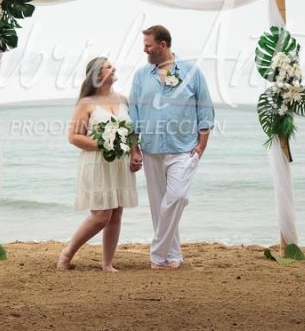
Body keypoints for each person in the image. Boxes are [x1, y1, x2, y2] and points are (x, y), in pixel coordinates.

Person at [129, 25, 215, 270]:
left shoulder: (192, 72)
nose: (144, 49)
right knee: (159, 206)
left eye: (148, 44)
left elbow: (205, 109)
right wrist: (135, 149)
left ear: (163, 45)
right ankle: (172, 255)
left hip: (183, 149)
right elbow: (133, 114)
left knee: (177, 198)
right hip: (152, 148)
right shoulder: (140, 76)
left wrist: (201, 146)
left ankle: (157, 254)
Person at [57, 57, 138, 272]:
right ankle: (67, 253)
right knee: (101, 216)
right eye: (109, 66)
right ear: (98, 75)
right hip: (97, 163)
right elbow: (74, 137)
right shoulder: (87, 104)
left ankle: (107, 263)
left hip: (120, 165)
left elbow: (132, 132)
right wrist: (103, 142)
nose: (115, 68)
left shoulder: (123, 100)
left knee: (116, 213)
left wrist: (135, 153)